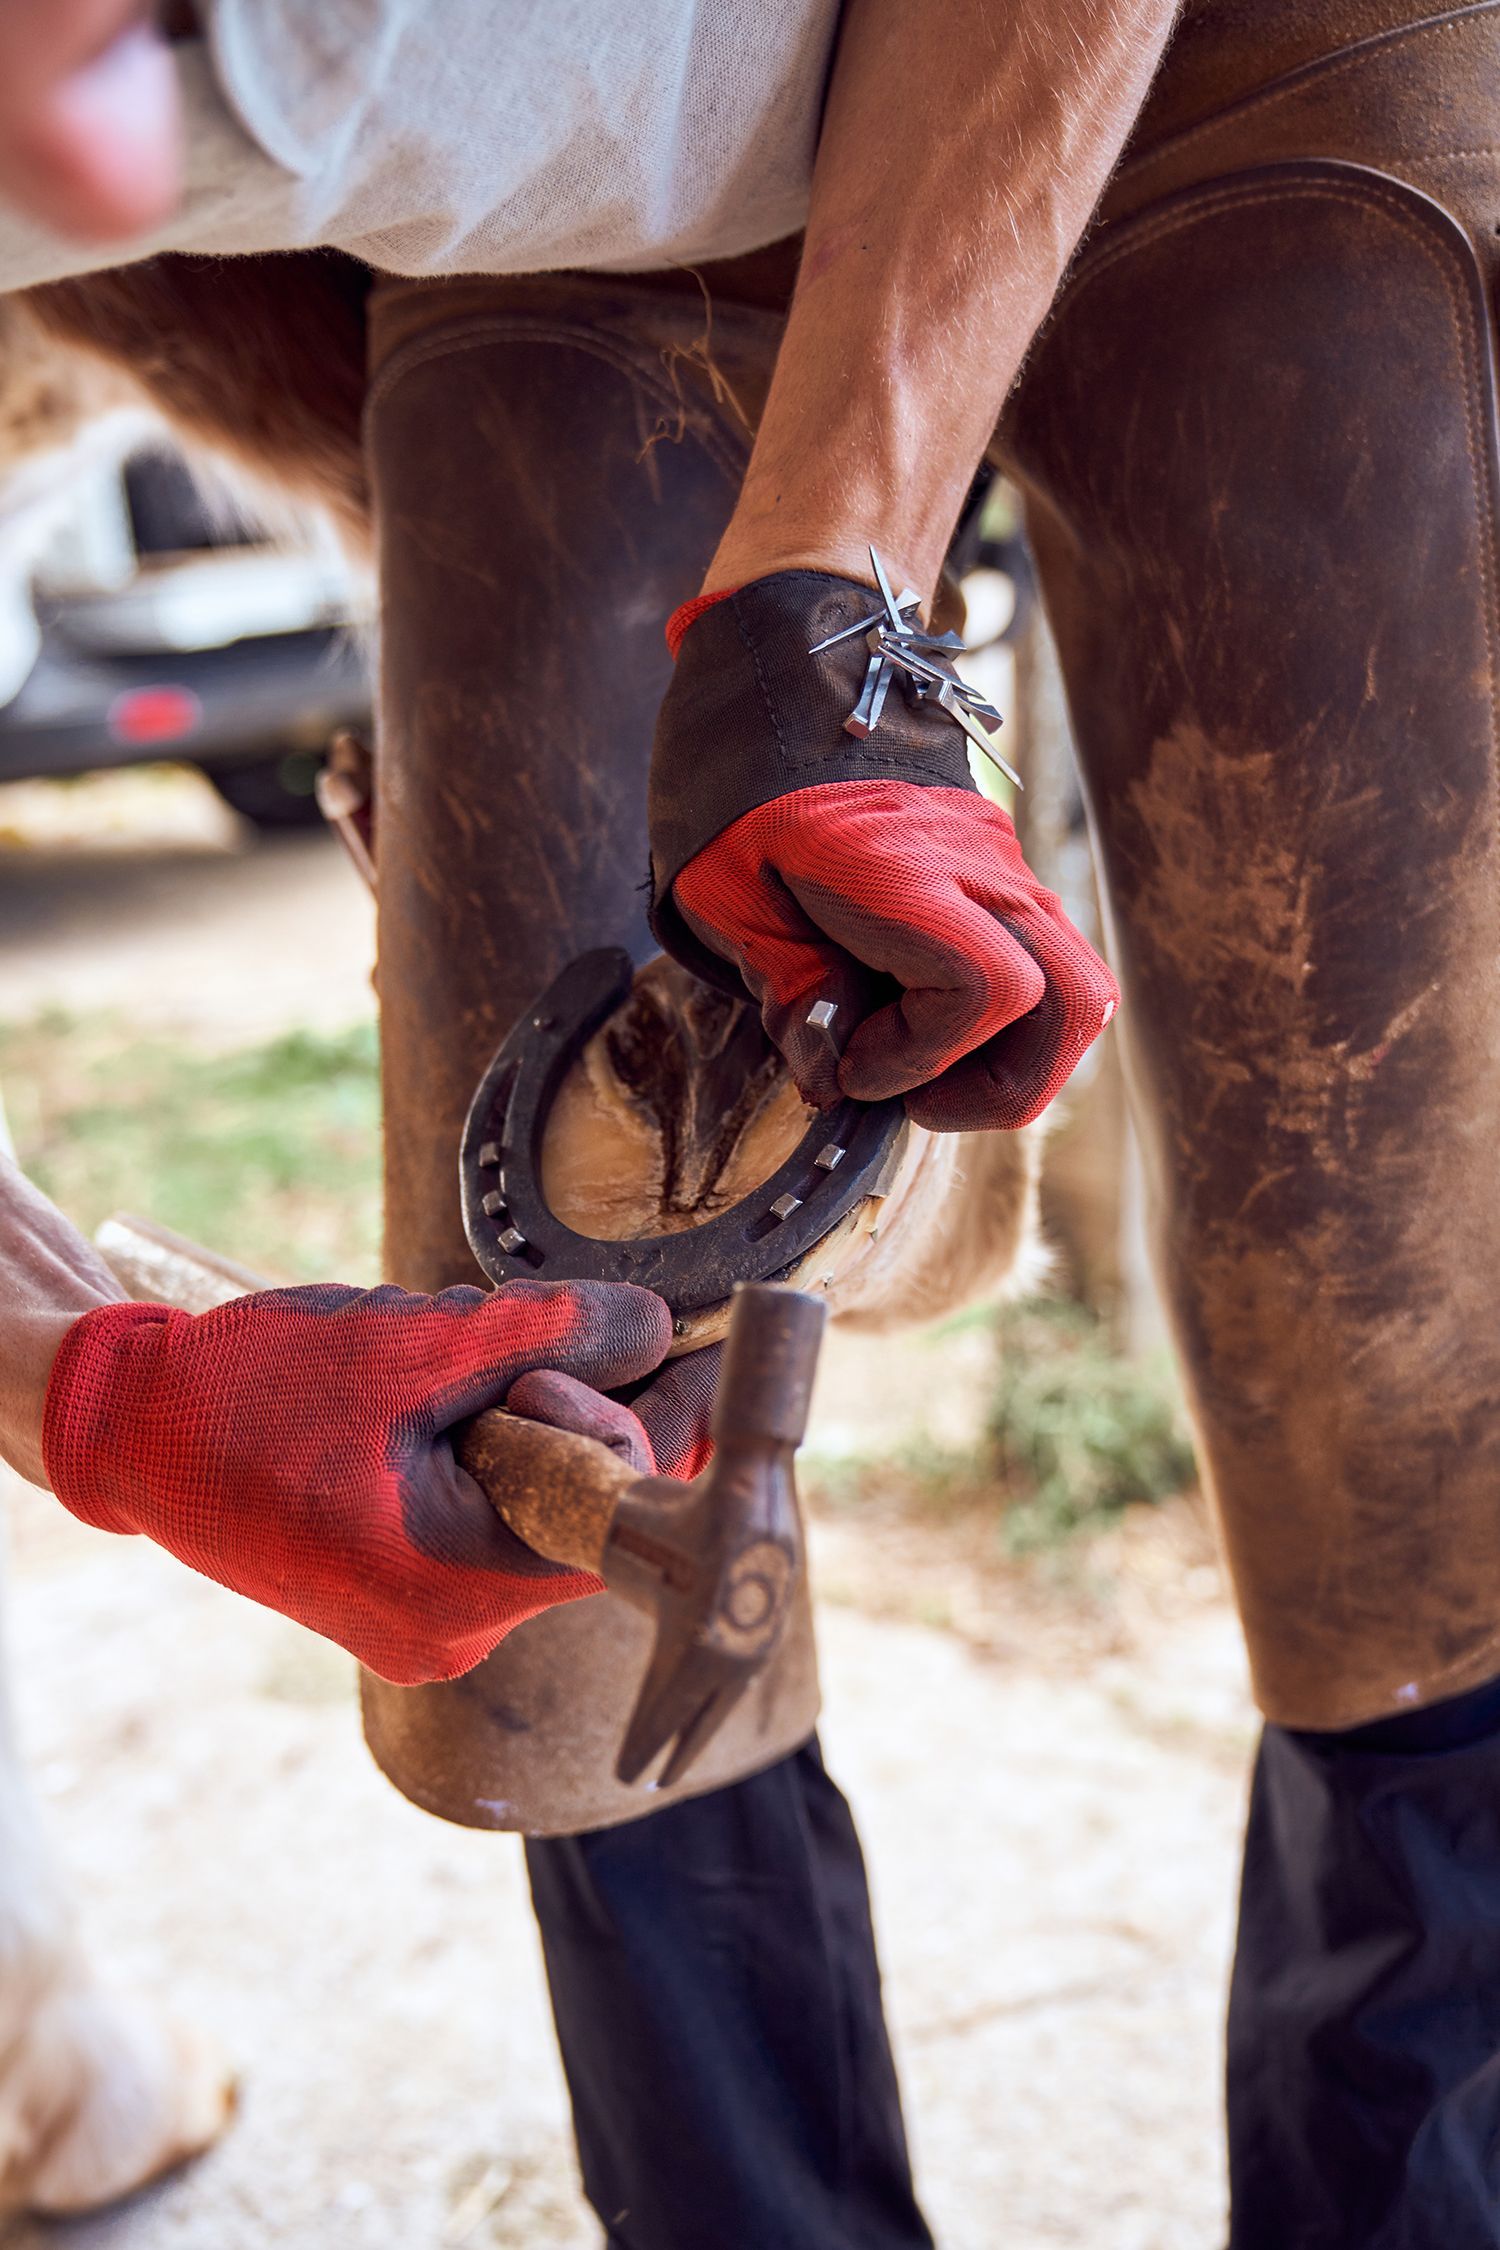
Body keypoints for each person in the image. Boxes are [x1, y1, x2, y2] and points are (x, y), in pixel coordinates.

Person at [4, 0, 1493, 2243]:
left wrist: (835, 588)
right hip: (538, 239)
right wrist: (80, 1386)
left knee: (1398, 1359)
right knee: (565, 1610)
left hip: (1238, 57)